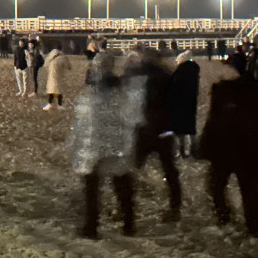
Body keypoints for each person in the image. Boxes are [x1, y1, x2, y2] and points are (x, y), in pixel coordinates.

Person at [69, 52, 139, 239]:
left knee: (92, 190)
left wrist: (76, 148)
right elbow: (132, 119)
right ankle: (129, 224)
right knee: (122, 186)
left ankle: (91, 228)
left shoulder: (89, 95)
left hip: (95, 148)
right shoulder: (123, 92)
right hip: (117, 146)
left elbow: (82, 126)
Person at [198, 72, 258, 235]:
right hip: (246, 151)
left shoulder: (223, 90)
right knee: (249, 191)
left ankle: (224, 217)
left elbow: (212, 122)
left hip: (224, 149)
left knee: (216, 185)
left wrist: (204, 147)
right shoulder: (250, 93)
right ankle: (252, 227)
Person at [127, 48, 182, 222]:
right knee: (170, 169)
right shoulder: (167, 75)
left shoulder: (136, 74)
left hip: (142, 128)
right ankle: (174, 207)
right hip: (164, 129)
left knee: (133, 166)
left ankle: (127, 207)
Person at [169, 50, 200, 158]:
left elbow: (173, 88)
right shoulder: (194, 71)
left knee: (180, 129)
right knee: (191, 128)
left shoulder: (179, 73)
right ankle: (193, 149)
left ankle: (182, 150)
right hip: (191, 102)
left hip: (179, 103)